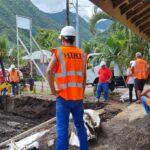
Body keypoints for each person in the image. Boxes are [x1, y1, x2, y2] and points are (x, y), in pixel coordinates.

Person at [47, 26, 88, 150]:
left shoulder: (58, 52)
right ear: (74, 38)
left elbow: (49, 71)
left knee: (62, 129)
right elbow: (84, 76)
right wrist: (82, 93)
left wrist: (53, 90)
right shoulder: (81, 54)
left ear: (63, 38)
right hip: (77, 98)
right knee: (80, 126)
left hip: (63, 98)